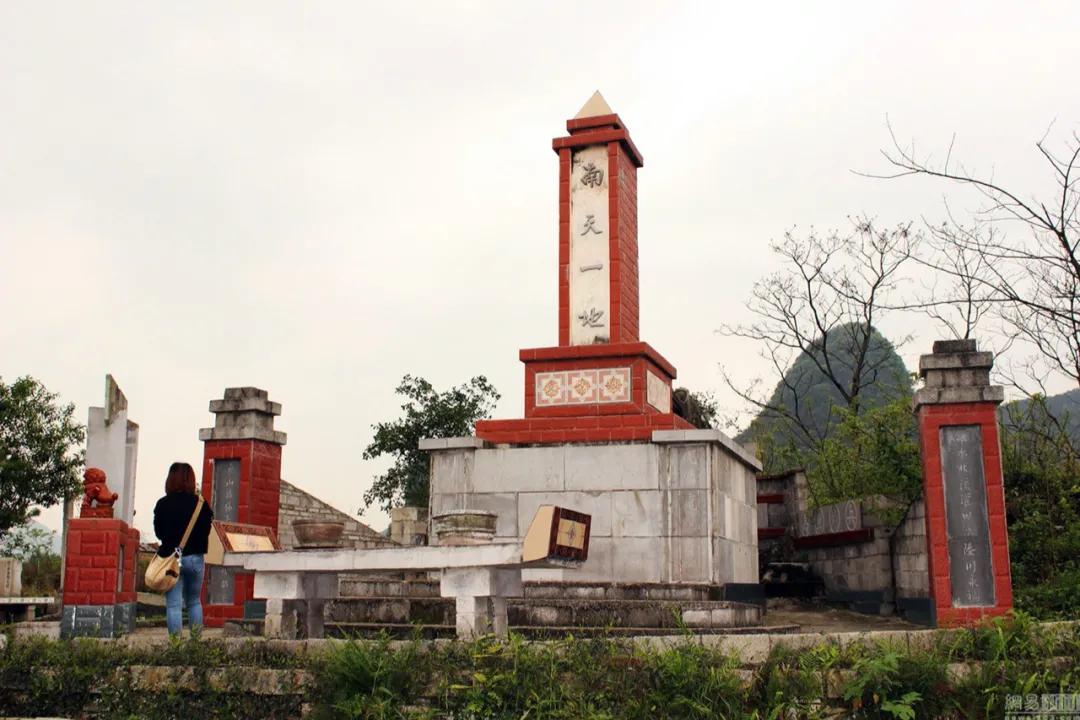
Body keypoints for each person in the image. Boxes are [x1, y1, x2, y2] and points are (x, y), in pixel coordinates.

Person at [153, 462, 214, 637]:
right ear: (191, 480)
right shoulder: (201, 504)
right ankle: (195, 643)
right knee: (194, 601)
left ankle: (176, 646)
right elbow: (206, 531)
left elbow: (159, 532)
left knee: (174, 604)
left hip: (171, 560)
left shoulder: (163, 504)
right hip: (195, 559)